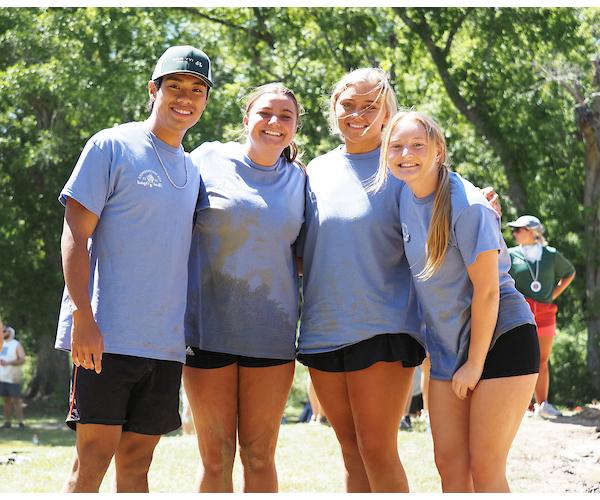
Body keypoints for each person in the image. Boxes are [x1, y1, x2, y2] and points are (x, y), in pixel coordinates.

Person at [54, 45, 212, 493]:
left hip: (164, 344)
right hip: (106, 337)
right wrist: (83, 318)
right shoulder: (112, 144)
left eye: (197, 90)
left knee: (138, 466)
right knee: (92, 463)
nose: (185, 98)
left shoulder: (192, 169)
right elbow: (74, 237)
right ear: (153, 89)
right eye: (175, 86)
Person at [375, 109, 540, 492]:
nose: (406, 154)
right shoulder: (403, 192)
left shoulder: (469, 206)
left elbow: (487, 292)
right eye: (396, 146)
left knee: (485, 469)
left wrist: (475, 364)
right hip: (449, 349)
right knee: (450, 466)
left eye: (417, 145)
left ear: (439, 150)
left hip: (501, 340)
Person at [182, 83, 305, 493]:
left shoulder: (301, 181)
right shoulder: (206, 159)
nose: (274, 123)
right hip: (205, 332)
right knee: (215, 458)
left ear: (296, 128)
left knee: (259, 456)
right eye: (265, 113)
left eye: (285, 116)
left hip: (272, 336)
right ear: (246, 119)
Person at [507, 215, 576, 418]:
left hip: (545, 314)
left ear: (532, 231)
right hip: (520, 312)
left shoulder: (550, 255)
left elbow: (569, 272)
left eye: (518, 229)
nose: (514, 233)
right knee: (519, 357)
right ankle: (520, 405)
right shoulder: (510, 255)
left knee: (542, 359)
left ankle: (542, 404)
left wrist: (551, 295)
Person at [0, 325, 26, 429]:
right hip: (2, 378)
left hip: (13, 378)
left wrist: (9, 363)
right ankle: (7, 422)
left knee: (16, 401)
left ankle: (20, 422)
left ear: (9, 332)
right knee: (6, 401)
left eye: (4, 331)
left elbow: (22, 359)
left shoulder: (16, 345)